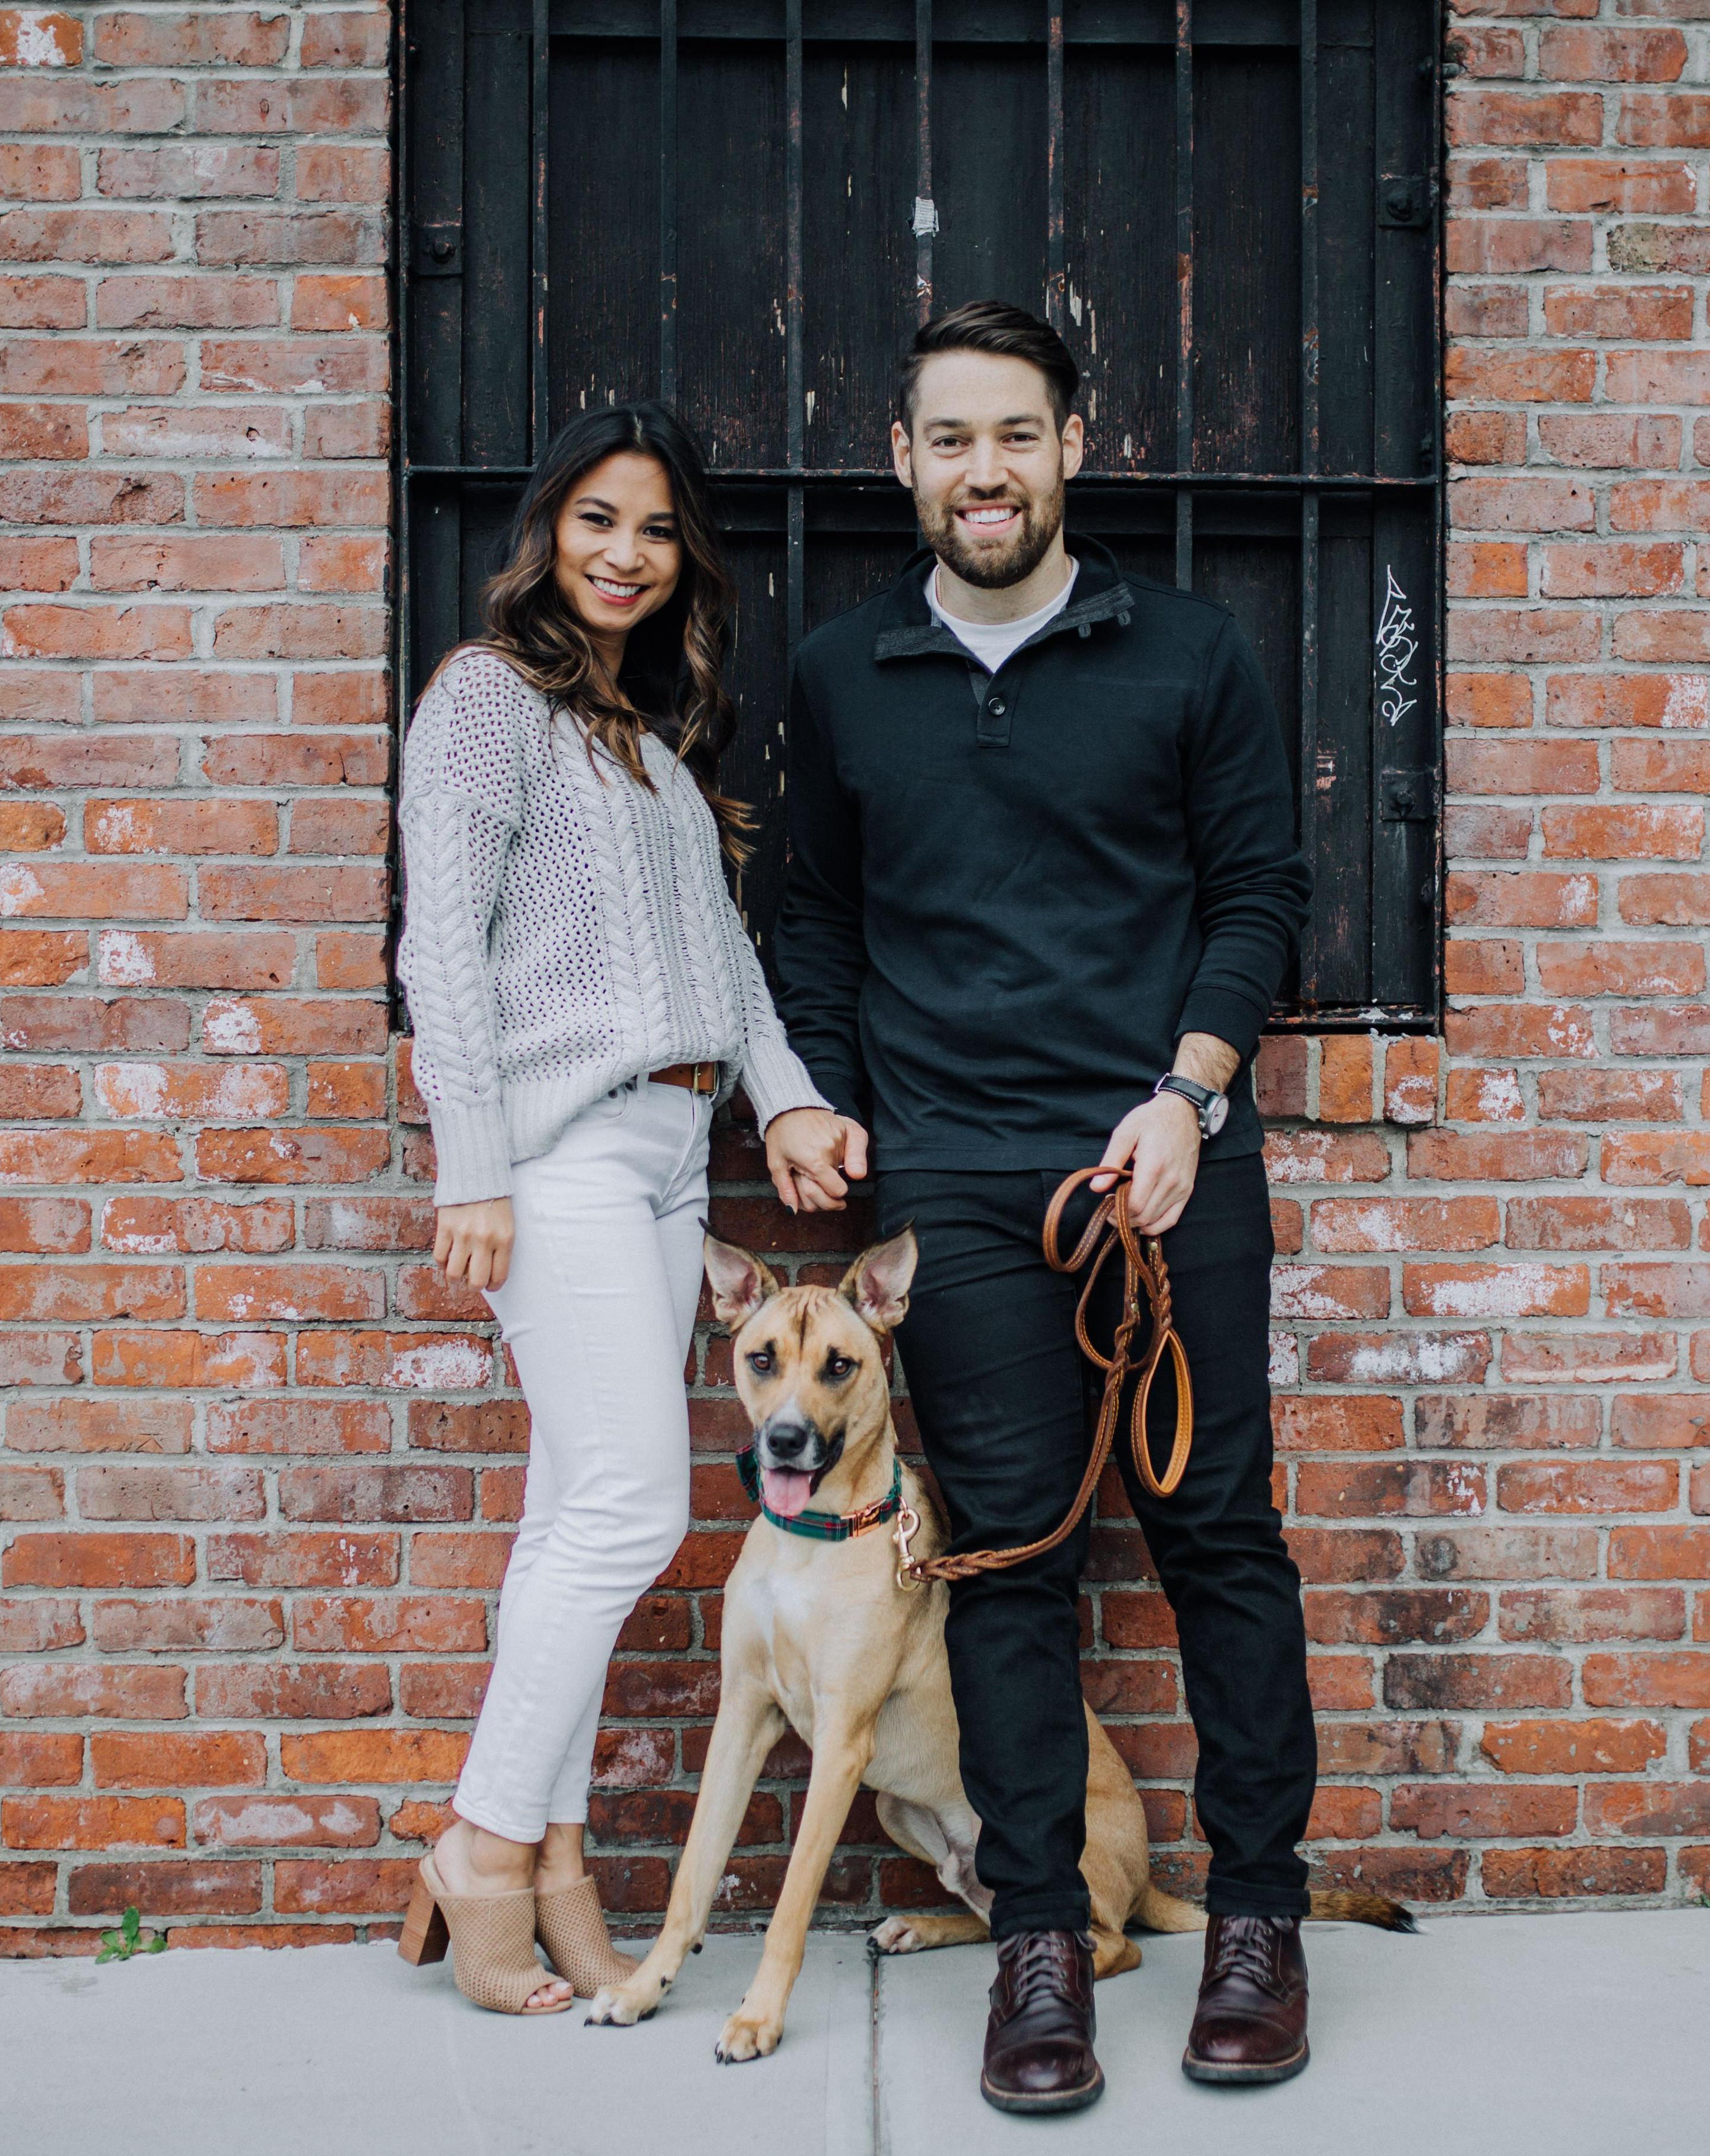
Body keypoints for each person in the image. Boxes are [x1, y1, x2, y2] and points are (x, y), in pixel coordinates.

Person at [775, 302, 1317, 2111]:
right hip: (950, 1174)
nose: (984, 469)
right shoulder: (842, 670)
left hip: (1159, 1162)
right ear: (903, 460)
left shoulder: (1187, 653)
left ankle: (1258, 1918)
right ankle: (1035, 1941)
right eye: (949, 437)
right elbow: (814, 916)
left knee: (1215, 1535)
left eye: (1015, 432)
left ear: (1073, 447)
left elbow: (1258, 894)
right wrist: (816, 1094)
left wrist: (1189, 1092)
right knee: (1007, 1561)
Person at [394, 403, 859, 2015]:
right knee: (630, 1514)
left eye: (657, 529)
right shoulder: (485, 702)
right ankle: (480, 1848)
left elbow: (728, 969)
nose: (626, 553)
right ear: (547, 531)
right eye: (598, 518)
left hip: (673, 1154)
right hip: (566, 1155)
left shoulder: (651, 751)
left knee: (566, 1519)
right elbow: (441, 948)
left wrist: (783, 1097)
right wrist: (471, 1162)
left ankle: (559, 1865)